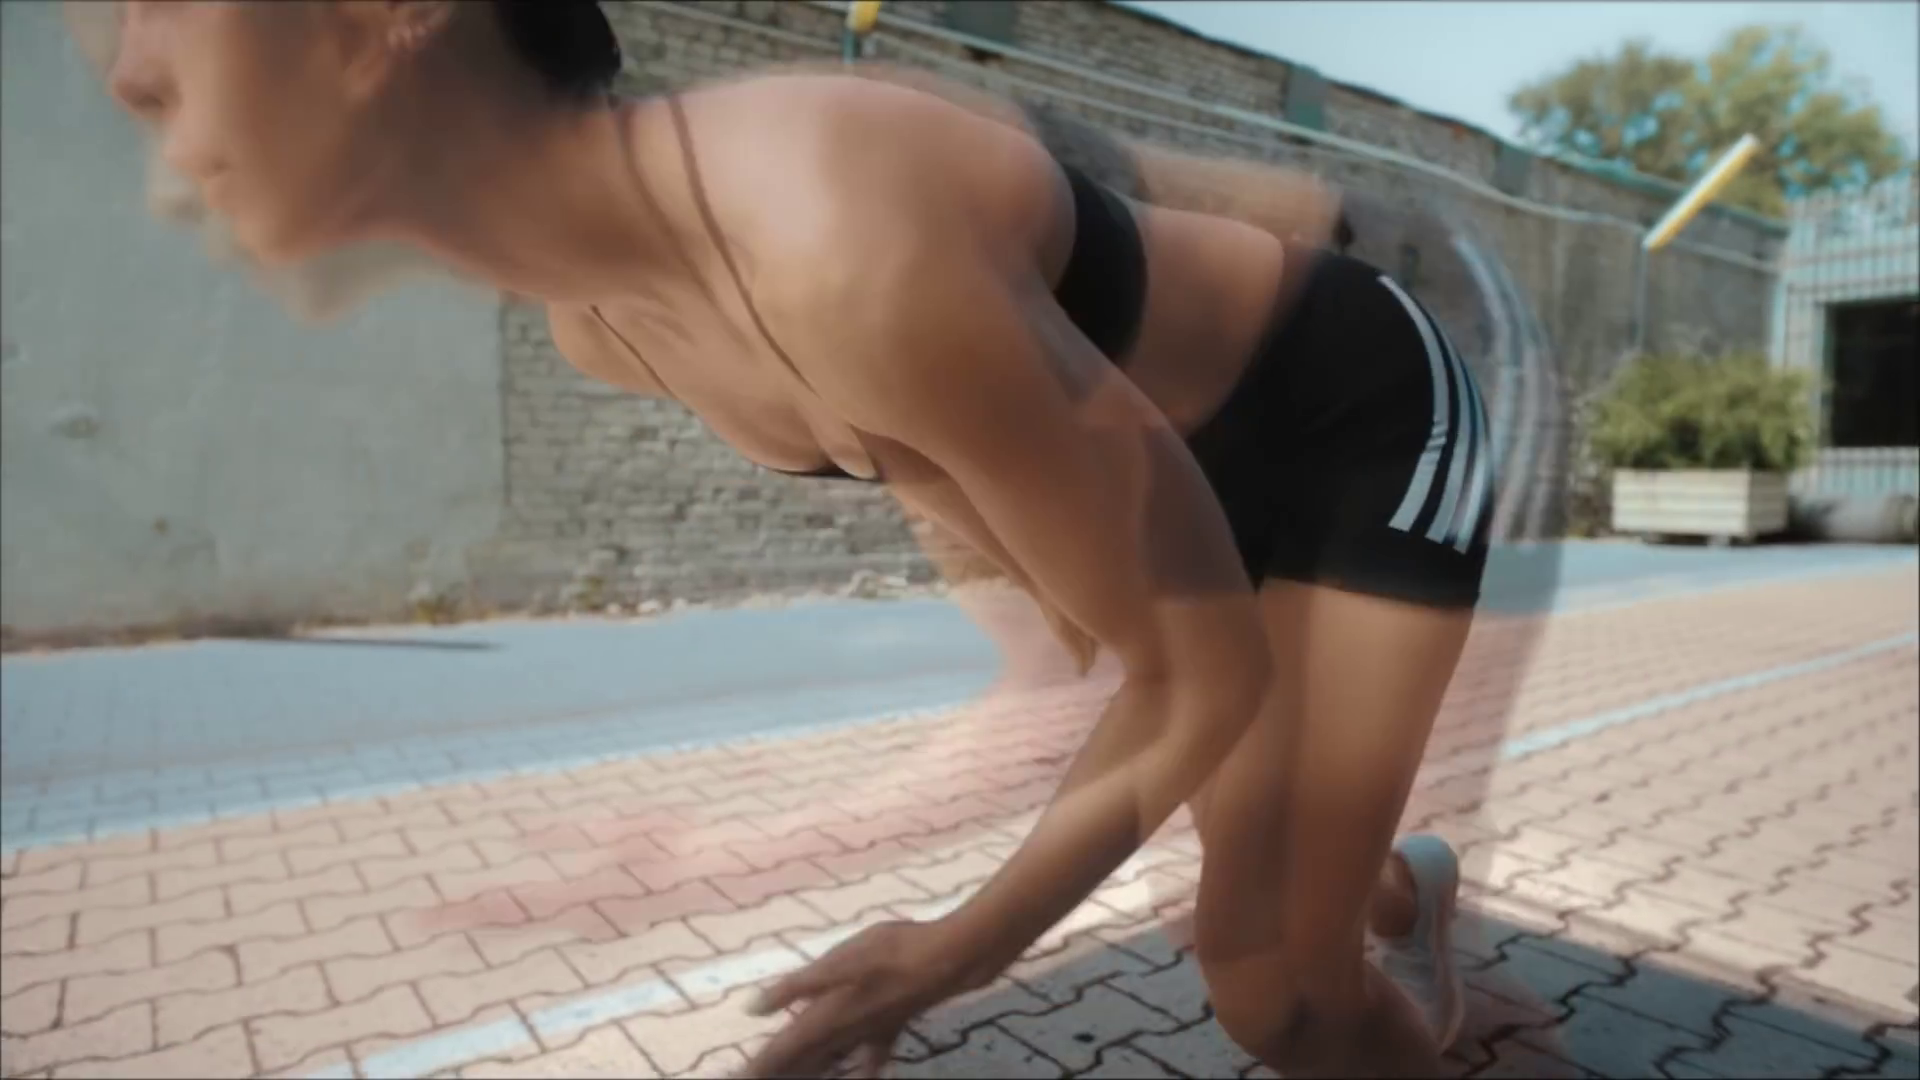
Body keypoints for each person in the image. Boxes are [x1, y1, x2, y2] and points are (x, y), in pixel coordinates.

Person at [82, 2, 1494, 1076]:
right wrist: (1087, 626)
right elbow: (932, 461)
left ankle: (1355, 906)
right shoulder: (600, 329)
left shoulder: (829, 236)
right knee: (1267, 833)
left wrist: (951, 955)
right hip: (1158, 483)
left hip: (1352, 420)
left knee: (1273, 982)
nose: (129, 65)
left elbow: (1198, 674)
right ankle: (1391, 884)